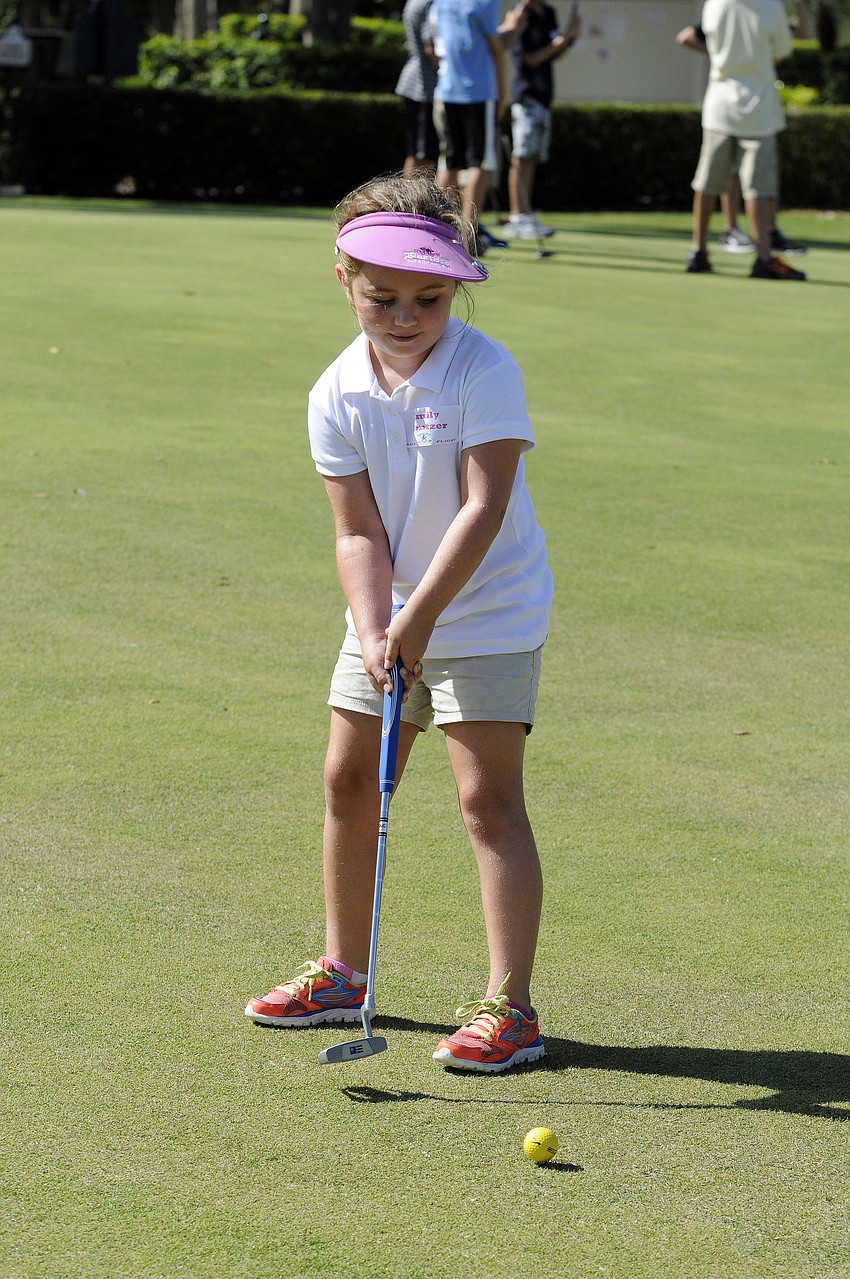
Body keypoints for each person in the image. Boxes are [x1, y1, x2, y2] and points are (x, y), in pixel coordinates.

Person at [245, 171, 553, 1074]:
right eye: (384, 297)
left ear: (455, 286)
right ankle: (343, 967)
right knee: (348, 779)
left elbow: (483, 507)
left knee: (485, 799)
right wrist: (377, 624)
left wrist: (416, 622)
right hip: (388, 613)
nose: (408, 316)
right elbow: (356, 531)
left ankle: (511, 1005)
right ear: (342, 278)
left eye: (430, 296)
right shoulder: (334, 390)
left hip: (487, 610)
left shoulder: (482, 368)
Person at [679, 0, 806, 280]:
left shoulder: (715, 4)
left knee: (707, 183)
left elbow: (703, 40)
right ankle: (762, 258)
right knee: (758, 188)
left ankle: (698, 252)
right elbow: (782, 51)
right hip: (759, 109)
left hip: (719, 105)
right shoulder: (771, 6)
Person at [431, 0, 526, 253]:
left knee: (449, 163)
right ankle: (467, 236)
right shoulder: (486, 1)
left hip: (447, 89)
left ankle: (439, 230)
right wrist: (513, 26)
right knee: (479, 165)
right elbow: (498, 47)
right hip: (478, 91)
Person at [502, 0, 581, 240]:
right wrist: (558, 42)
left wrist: (570, 38)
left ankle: (525, 214)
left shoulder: (548, 12)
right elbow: (530, 58)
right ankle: (517, 217)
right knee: (521, 156)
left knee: (532, 157)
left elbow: (553, 54)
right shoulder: (520, 14)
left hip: (544, 96)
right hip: (526, 95)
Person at [396, 0, 440, 176]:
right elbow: (431, 47)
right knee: (422, 155)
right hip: (423, 87)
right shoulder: (429, 3)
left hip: (416, 83)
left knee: (418, 152)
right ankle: (413, 202)